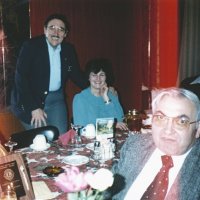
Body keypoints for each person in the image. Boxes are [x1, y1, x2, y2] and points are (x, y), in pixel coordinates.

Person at [105, 87, 200, 200]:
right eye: (160, 117)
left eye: (181, 121)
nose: (168, 130)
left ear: (198, 128)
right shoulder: (135, 145)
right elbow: (108, 189)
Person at [10, 13, 88, 134]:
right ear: (45, 30)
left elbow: (77, 75)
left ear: (65, 34)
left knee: (60, 137)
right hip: (30, 99)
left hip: (56, 99)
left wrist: (100, 87)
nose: (56, 33)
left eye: (61, 29)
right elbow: (21, 79)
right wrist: (33, 108)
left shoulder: (68, 50)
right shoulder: (31, 47)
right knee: (42, 140)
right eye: (52, 27)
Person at [72, 58, 128, 130]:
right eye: (94, 75)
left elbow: (120, 121)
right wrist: (111, 125)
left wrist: (106, 99)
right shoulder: (80, 98)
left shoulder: (112, 95)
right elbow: (82, 129)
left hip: (114, 139)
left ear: (106, 77)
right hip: (90, 140)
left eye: (101, 75)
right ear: (88, 77)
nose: (98, 79)